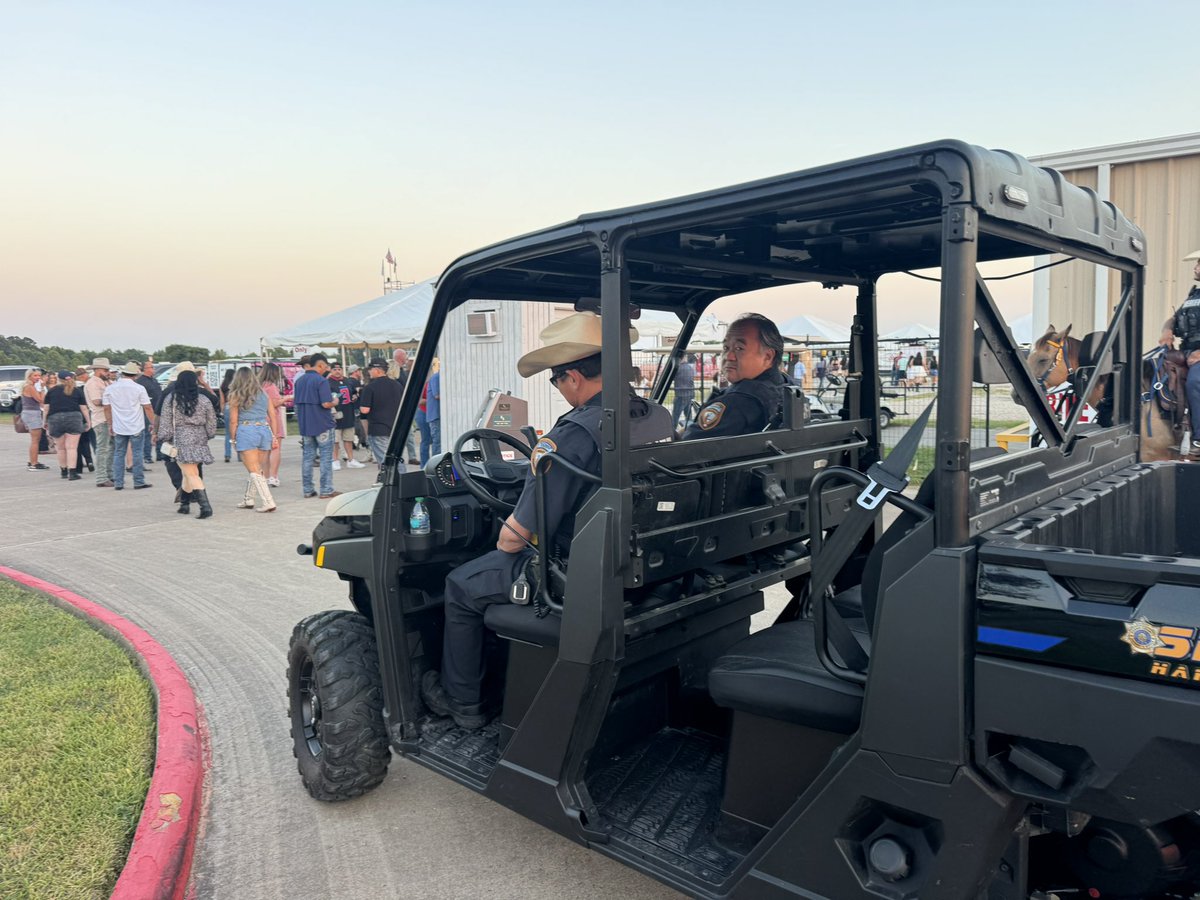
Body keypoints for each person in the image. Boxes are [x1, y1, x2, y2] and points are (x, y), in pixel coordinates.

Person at [420, 312, 674, 729]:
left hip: (577, 574)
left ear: (573, 376)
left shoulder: (572, 435)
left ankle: (463, 702)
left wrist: (506, 525)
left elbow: (513, 540)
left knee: (461, 585)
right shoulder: (657, 416)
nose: (559, 389)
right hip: (644, 560)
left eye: (556, 381)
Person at [681, 314, 795, 440]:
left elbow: (685, 446)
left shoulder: (738, 403)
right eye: (726, 348)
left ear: (767, 356)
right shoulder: (788, 387)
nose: (728, 356)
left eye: (739, 348)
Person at [157, 368, 217, 518]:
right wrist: (209, 434)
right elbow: (212, 420)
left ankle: (205, 507)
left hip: (181, 439)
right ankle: (184, 504)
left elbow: (166, 421)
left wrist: (164, 437)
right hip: (200, 438)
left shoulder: (171, 399)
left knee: (191, 473)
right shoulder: (204, 399)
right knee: (188, 472)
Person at [1159, 249, 1200, 458]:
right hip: (1186, 350)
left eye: (1199, 264)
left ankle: (1199, 439)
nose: (1195, 267)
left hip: (1198, 354)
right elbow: (1174, 319)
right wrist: (1167, 331)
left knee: (1195, 382)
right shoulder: (1193, 295)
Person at [227, 366, 279, 512]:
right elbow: (273, 416)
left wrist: (233, 439)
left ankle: (268, 502)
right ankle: (248, 499)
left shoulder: (236, 395)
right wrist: (274, 435)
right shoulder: (263, 394)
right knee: (257, 468)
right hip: (264, 429)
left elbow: (233, 421)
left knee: (254, 469)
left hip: (246, 430)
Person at [103, 362, 155, 490]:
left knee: (119, 453)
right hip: (136, 425)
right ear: (135, 375)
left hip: (119, 426)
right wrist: (154, 423)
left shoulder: (110, 388)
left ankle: (118, 482)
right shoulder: (139, 388)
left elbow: (106, 408)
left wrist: (110, 424)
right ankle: (138, 481)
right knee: (137, 453)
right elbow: (147, 407)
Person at [293, 352, 339, 499]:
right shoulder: (321, 381)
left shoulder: (299, 381)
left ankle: (308, 489)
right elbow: (326, 403)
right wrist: (335, 401)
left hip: (306, 424)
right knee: (326, 457)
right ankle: (326, 489)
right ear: (320, 365)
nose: (326, 369)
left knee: (308, 457)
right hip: (322, 424)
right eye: (325, 367)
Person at [357, 358, 404, 468]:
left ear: (377, 370)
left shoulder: (370, 387)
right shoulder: (397, 385)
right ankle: (401, 477)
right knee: (396, 459)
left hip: (378, 429)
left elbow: (364, 410)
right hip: (396, 428)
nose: (369, 372)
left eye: (370, 369)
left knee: (386, 463)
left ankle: (396, 479)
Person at [43, 370, 89, 480]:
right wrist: (88, 421)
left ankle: (63, 471)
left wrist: (44, 421)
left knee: (60, 448)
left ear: (59, 379)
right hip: (74, 417)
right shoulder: (77, 391)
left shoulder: (52, 391)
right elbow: (83, 408)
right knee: (72, 447)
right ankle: (72, 472)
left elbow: (46, 408)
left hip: (55, 418)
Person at [327, 362, 365, 469]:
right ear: (331, 370)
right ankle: (335, 460)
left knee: (348, 438)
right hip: (336, 414)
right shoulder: (328, 382)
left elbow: (353, 392)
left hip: (348, 413)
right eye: (335, 369)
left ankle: (351, 459)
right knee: (335, 440)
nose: (337, 371)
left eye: (339, 369)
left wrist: (354, 396)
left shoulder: (347, 381)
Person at [85, 358, 115, 486]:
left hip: (109, 418)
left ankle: (109, 474)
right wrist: (114, 400)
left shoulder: (106, 382)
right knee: (103, 449)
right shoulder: (93, 383)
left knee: (111, 448)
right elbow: (97, 401)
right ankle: (101, 477)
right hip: (101, 419)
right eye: (105, 370)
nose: (108, 372)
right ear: (97, 370)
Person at [259, 363, 288, 487]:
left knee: (265, 450)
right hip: (273, 419)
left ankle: (265, 476)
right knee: (275, 448)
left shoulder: (258, 386)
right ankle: (273, 476)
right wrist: (286, 398)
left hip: (261, 419)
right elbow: (275, 403)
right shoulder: (271, 387)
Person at [389, 348, 419, 463]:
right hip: (395, 408)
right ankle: (399, 456)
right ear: (400, 357)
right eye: (405, 356)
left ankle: (412, 457)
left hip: (404, 407)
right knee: (400, 433)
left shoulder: (403, 372)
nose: (406, 359)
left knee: (409, 433)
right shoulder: (394, 372)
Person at [19, 368, 48, 471]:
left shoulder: (29, 386)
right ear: (29, 376)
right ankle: (33, 463)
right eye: (35, 375)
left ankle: (33, 461)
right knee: (35, 440)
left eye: (39, 375)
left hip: (30, 412)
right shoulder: (30, 387)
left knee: (35, 440)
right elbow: (41, 400)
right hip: (32, 413)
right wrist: (43, 388)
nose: (38, 378)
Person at [137, 361, 163, 464]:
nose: (153, 369)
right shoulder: (140, 382)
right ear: (145, 369)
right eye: (151, 367)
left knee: (159, 431)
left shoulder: (154, 380)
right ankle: (147, 456)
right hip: (146, 411)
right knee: (148, 433)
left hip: (157, 410)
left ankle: (160, 454)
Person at [672, 353, 696, 425]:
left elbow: (672, 378)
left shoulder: (678, 368)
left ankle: (673, 429)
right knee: (688, 415)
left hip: (680, 394)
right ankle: (688, 428)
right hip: (689, 394)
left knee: (675, 415)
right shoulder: (690, 368)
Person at [218, 369, 236, 463]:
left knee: (228, 433)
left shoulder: (223, 386)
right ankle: (240, 455)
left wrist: (223, 411)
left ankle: (227, 455)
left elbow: (222, 401)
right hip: (237, 406)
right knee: (238, 432)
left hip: (227, 407)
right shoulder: (237, 384)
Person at [426, 363, 442, 456]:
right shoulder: (436, 377)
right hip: (435, 415)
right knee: (438, 441)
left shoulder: (439, 377)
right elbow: (437, 395)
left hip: (439, 415)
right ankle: (436, 462)